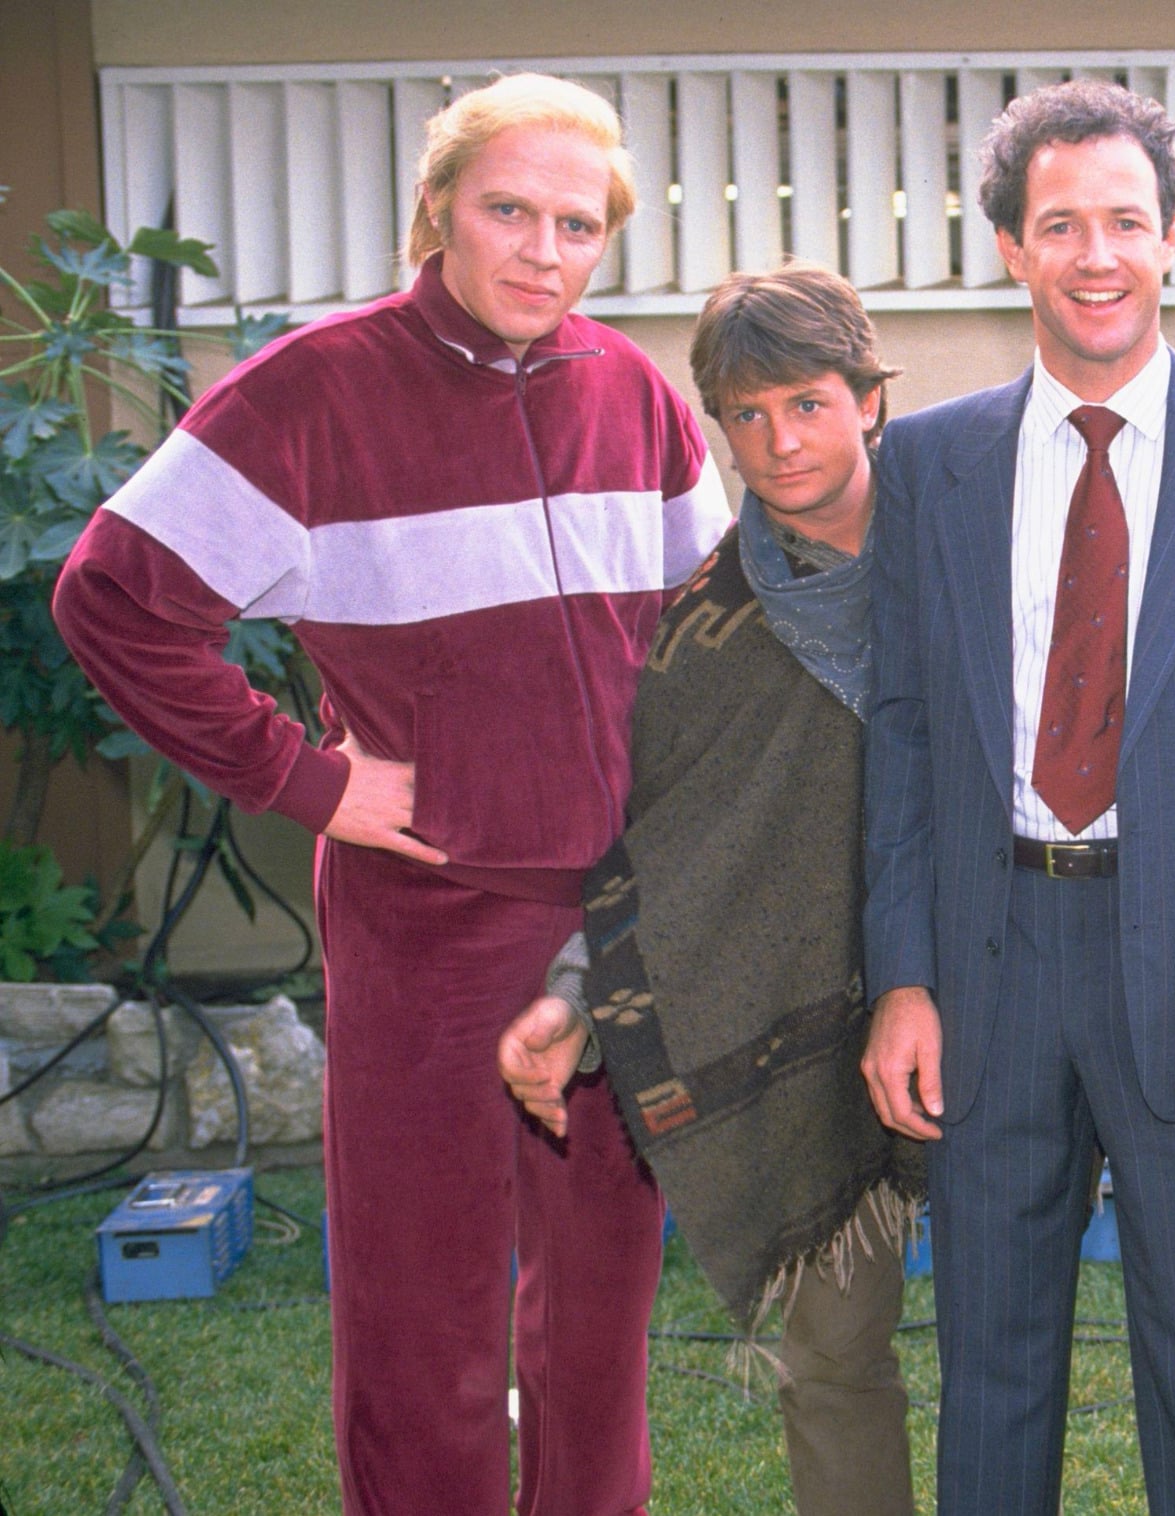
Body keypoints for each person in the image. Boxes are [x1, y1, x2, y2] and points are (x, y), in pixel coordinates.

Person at [51, 74, 729, 1515]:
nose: (542, 252)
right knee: (422, 1321)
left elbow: (707, 651)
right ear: (436, 212)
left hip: (613, 932)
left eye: (575, 224)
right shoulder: (312, 392)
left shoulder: (638, 399)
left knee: (600, 1314)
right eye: (508, 211)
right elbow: (112, 598)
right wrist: (302, 776)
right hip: (428, 927)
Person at [858, 79, 1175, 1516]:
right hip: (988, 957)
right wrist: (902, 978)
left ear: (1172, 238)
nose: (1096, 255)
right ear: (1010, 247)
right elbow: (896, 734)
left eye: (1125, 222)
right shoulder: (935, 464)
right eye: (1059, 224)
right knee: (990, 1362)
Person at [495, 260, 925, 1516]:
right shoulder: (695, 628)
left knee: (1024, 1344)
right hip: (806, 1035)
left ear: (869, 400)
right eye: (745, 414)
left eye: (806, 403)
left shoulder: (976, 552)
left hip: (1009, 996)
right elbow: (657, 838)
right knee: (834, 1359)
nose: (778, 443)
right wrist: (581, 993)